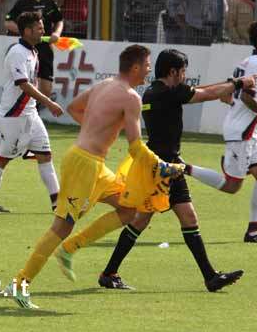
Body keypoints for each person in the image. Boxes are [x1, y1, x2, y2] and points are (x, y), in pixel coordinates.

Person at [10, 45, 184, 310]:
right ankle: (20, 283)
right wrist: (162, 166)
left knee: (129, 208)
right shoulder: (131, 97)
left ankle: (70, 248)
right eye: (147, 64)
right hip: (84, 164)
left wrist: (95, 130)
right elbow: (135, 147)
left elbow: (73, 108)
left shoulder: (105, 84)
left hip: (94, 164)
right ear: (135, 67)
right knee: (62, 225)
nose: (150, 69)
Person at [68, 49, 256, 292]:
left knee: (154, 219)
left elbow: (203, 90)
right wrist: (240, 82)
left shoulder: (154, 92)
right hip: (162, 167)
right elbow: (207, 93)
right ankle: (207, 277)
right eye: (183, 72)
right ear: (173, 72)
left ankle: (208, 276)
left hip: (162, 163)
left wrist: (229, 86)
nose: (185, 77)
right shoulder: (169, 93)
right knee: (150, 219)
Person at [184, 20, 257, 244]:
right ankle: (183, 168)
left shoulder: (247, 61)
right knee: (232, 186)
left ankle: (254, 232)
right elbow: (246, 97)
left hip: (247, 130)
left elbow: (228, 95)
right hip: (242, 131)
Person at [0, 11, 63, 213]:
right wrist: (48, 102)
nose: (43, 30)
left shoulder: (32, 51)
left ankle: (58, 203)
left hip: (30, 114)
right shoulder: (17, 52)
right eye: (39, 27)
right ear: (27, 31)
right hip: (13, 115)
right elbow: (23, 85)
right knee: (1, 159)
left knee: (45, 155)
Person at [5, 0, 64, 99]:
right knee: (30, 85)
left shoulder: (49, 2)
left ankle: (35, 108)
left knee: (47, 90)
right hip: (29, 47)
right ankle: (28, 112)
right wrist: (24, 31)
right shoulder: (23, 2)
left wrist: (56, 33)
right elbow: (8, 21)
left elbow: (59, 20)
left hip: (46, 48)